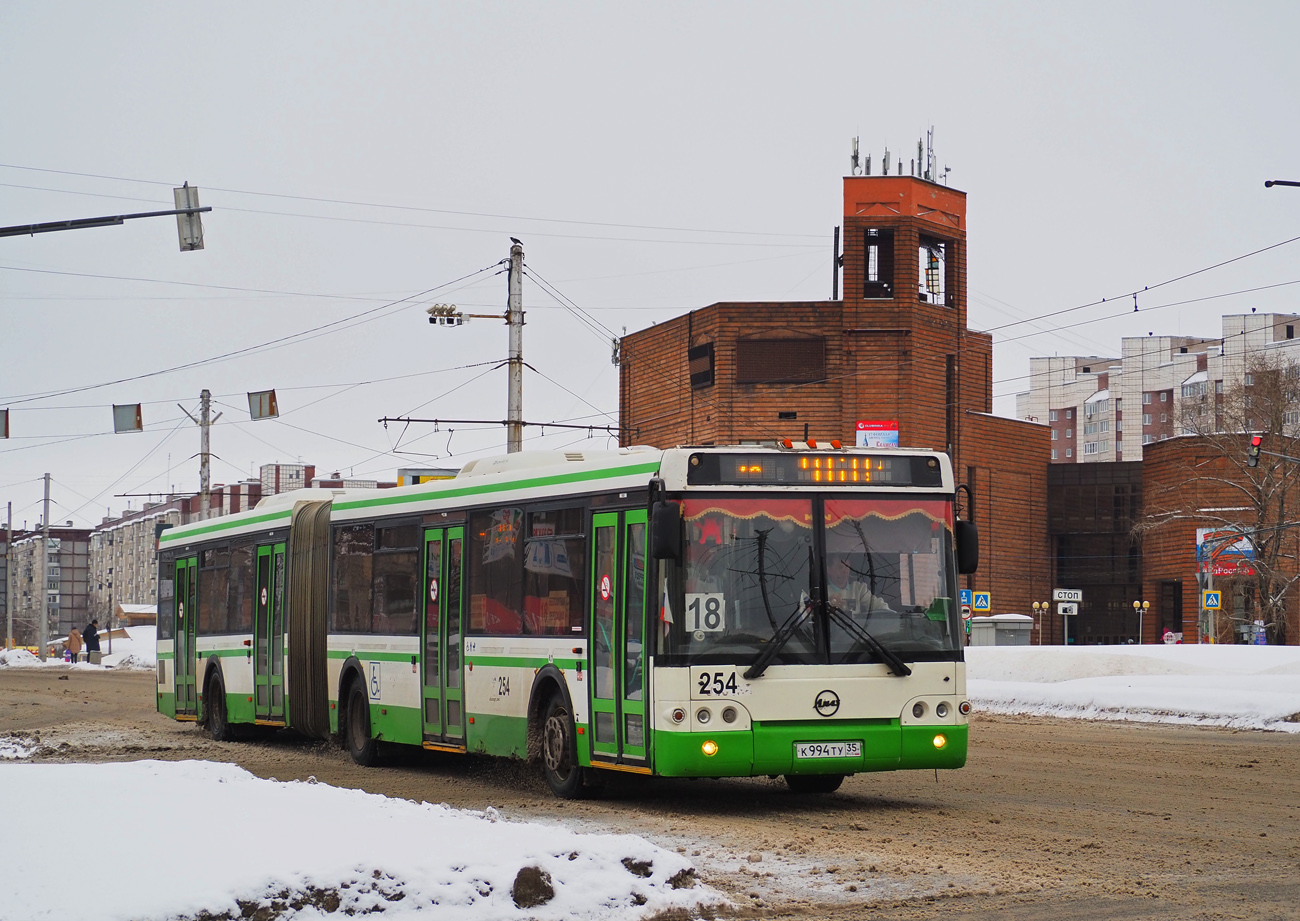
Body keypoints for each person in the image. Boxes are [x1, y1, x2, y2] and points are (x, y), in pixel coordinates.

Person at [825, 556, 890, 615]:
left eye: (848, 567)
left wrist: (891, 616)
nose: (845, 571)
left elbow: (876, 604)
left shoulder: (858, 588)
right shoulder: (822, 591)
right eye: (840, 567)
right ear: (829, 570)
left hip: (855, 628)